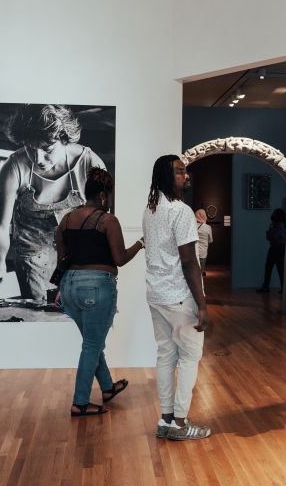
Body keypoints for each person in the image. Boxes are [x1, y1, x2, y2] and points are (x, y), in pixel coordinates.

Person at [0, 105, 106, 304]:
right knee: (39, 310)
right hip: (32, 253)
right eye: (30, 148)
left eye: (47, 149)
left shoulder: (90, 164)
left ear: (64, 138)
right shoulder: (13, 167)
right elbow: (1, 227)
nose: (38, 159)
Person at [54, 168, 144, 417]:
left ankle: (107, 387)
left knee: (91, 343)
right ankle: (80, 402)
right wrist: (140, 244)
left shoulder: (67, 219)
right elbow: (120, 258)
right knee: (92, 345)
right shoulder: (107, 220)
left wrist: (59, 289)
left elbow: (61, 257)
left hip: (70, 286)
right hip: (96, 286)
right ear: (104, 195)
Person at [143, 155, 211, 441]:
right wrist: (203, 304)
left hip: (156, 294)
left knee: (165, 356)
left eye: (186, 171)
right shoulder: (180, 211)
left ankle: (166, 419)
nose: (187, 176)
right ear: (165, 176)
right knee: (190, 357)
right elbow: (188, 262)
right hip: (179, 296)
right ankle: (180, 423)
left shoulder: (151, 208)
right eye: (180, 172)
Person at [257, 208, 286, 292]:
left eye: (274, 213)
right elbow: (269, 237)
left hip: (278, 248)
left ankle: (281, 288)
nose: (273, 214)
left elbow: (272, 236)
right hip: (275, 248)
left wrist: (270, 234)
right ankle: (267, 286)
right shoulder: (274, 224)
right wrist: (270, 235)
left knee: (278, 268)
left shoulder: (280, 225)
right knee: (270, 267)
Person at [194, 208, 213, 274]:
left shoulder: (192, 226)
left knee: (193, 273)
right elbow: (210, 240)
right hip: (203, 253)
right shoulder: (208, 227)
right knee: (200, 273)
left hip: (193, 253)